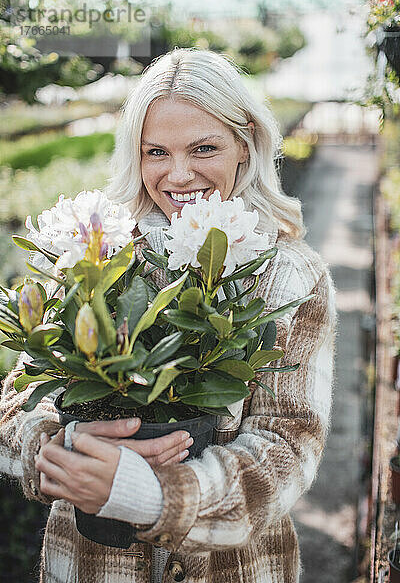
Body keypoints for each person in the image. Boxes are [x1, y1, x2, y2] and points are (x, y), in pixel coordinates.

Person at [0, 47, 338, 583]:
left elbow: (288, 448)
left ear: (245, 144)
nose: (178, 176)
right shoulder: (101, 253)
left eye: (204, 147)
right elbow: (19, 404)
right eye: (155, 151)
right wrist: (60, 454)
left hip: (234, 567)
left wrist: (147, 494)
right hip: (91, 566)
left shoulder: (290, 276)